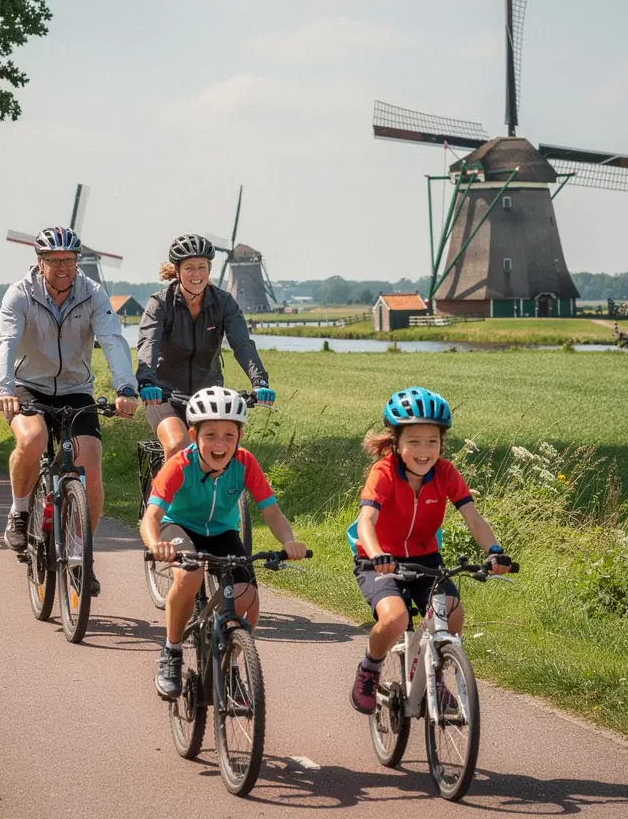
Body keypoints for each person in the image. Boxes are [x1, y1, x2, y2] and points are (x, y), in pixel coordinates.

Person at [0, 226, 138, 595]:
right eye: (54, 261)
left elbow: (112, 339)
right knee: (34, 439)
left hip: (75, 388)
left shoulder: (93, 293)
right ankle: (20, 510)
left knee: (90, 459)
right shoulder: (20, 294)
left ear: (77, 262)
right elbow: (5, 342)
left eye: (69, 261)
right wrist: (4, 389)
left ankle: (78, 554)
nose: (62, 268)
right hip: (27, 385)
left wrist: (125, 387)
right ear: (39, 263)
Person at [347, 387, 513, 713]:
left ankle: (434, 676)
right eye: (414, 442)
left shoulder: (446, 473)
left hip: (426, 558)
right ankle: (370, 668)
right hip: (379, 559)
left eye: (432, 441)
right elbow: (367, 520)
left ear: (442, 443)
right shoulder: (383, 473)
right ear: (396, 444)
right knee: (394, 618)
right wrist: (378, 553)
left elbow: (473, 518)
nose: (423, 450)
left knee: (452, 610)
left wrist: (494, 550)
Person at [140, 386, 307, 699]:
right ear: (193, 435)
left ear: (240, 436)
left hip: (222, 532)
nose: (220, 444)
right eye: (211, 435)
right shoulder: (179, 465)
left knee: (248, 598)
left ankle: (231, 662)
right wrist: (155, 544)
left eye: (229, 435)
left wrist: (289, 541)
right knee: (190, 575)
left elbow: (271, 511)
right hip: (179, 527)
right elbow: (151, 517)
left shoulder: (245, 463)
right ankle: (172, 653)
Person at [136, 235, 275, 460]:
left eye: (202, 267)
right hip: (164, 395)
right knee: (178, 446)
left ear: (209, 269)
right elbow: (148, 342)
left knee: (218, 453)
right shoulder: (160, 303)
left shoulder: (223, 303)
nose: (197, 274)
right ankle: (160, 496)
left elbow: (242, 344)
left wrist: (259, 382)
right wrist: (146, 381)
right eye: (190, 268)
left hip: (208, 395)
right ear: (177, 270)